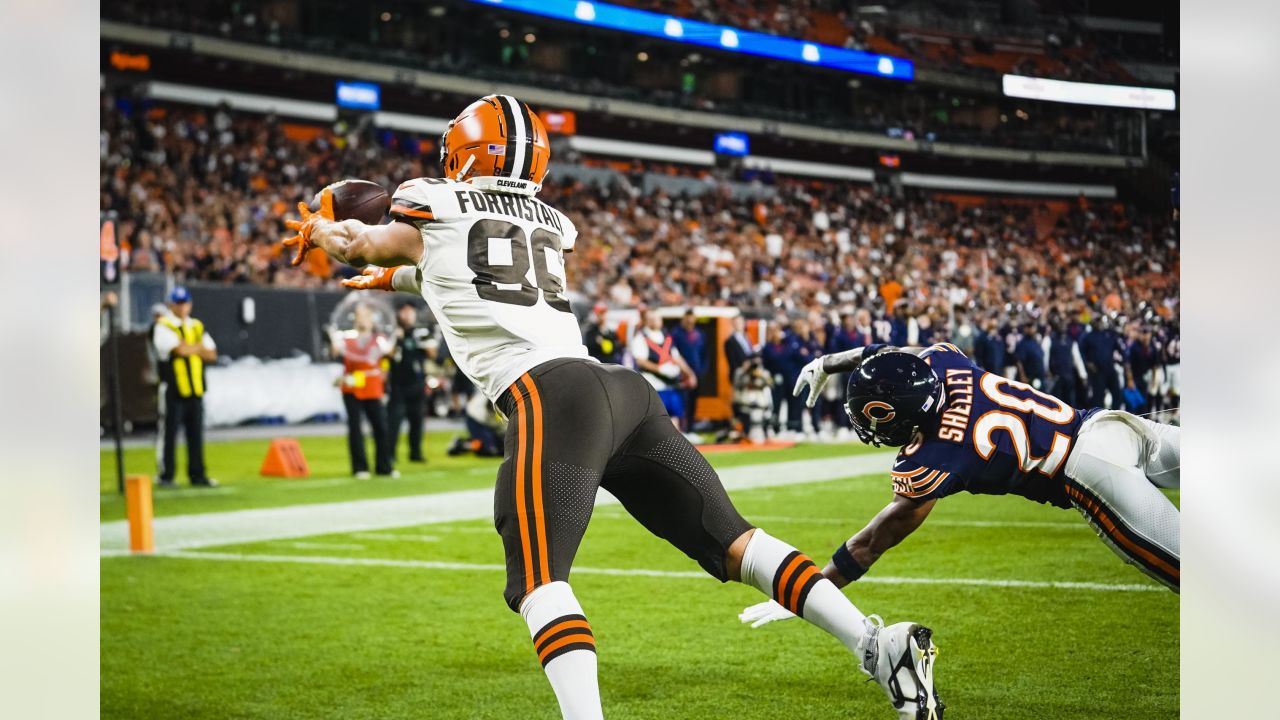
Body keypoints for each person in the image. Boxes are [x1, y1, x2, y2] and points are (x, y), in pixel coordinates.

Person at [284, 94, 942, 720]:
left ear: (464, 151)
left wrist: (323, 228)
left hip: (551, 397)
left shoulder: (430, 200)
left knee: (539, 581)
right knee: (738, 544)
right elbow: (463, 265)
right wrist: (395, 271)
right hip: (622, 394)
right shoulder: (549, 221)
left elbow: (365, 243)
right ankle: (877, 645)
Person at [740, 341, 1179, 634]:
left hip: (1093, 474)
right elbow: (892, 354)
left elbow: (868, 545)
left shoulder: (934, 457)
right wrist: (830, 363)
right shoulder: (945, 361)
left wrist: (807, 592)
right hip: (1110, 425)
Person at [151, 286, 218, 488]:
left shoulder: (196, 325)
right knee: (169, 433)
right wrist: (197, 347)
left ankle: (197, 474)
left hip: (195, 388)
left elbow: (212, 354)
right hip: (172, 388)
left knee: (196, 434)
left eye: (185, 303)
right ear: (171, 304)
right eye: (178, 303)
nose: (182, 307)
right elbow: (178, 350)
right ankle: (166, 475)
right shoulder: (163, 325)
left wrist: (191, 348)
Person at [331, 303, 396, 479]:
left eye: (366, 315)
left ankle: (384, 466)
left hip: (373, 387)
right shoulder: (346, 339)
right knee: (355, 429)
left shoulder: (379, 338)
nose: (362, 318)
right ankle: (360, 467)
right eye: (359, 315)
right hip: (352, 387)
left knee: (381, 427)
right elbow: (335, 353)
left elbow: (390, 353)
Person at [628, 309, 696, 430]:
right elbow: (640, 361)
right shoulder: (640, 338)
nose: (656, 321)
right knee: (657, 420)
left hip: (670, 384)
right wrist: (660, 369)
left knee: (675, 416)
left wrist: (690, 374)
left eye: (658, 318)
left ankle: (675, 445)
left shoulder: (666, 336)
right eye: (653, 318)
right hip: (654, 385)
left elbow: (677, 357)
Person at [387, 301, 432, 464]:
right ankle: (390, 454)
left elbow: (431, 354)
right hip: (398, 383)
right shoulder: (392, 332)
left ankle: (416, 453)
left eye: (411, 312)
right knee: (394, 422)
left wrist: (424, 342)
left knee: (417, 421)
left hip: (417, 383)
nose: (408, 315)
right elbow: (388, 355)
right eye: (405, 312)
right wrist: (396, 339)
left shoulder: (420, 332)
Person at [669, 310, 707, 432]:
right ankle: (682, 430)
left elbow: (704, 355)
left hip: (697, 374)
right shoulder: (676, 334)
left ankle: (690, 429)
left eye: (692, 319)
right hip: (682, 375)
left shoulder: (699, 334)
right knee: (682, 403)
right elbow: (674, 355)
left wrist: (701, 371)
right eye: (688, 319)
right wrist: (682, 373)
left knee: (693, 403)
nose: (690, 321)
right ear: (683, 319)